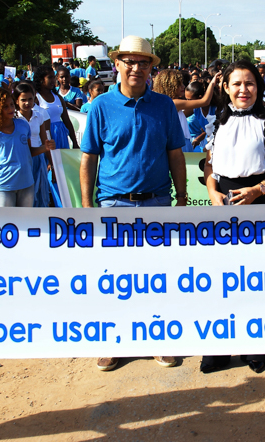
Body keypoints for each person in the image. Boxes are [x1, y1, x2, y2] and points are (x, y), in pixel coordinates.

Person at [79, 35, 185, 372]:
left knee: (157, 276)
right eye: (130, 61)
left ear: (151, 68)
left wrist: (182, 198)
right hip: (113, 205)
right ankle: (114, 341)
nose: (136, 68)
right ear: (117, 65)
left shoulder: (164, 106)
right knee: (115, 278)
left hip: (157, 202)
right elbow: (89, 158)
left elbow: (175, 154)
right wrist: (87, 206)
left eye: (143, 62)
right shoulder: (100, 106)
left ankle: (158, 337)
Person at [201, 60, 265, 374]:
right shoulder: (217, 120)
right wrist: (212, 191)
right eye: (237, 84)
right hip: (225, 203)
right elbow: (210, 165)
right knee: (224, 278)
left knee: (259, 278)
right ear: (225, 87)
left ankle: (257, 343)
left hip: (262, 201)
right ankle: (220, 346)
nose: (244, 89)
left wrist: (258, 189)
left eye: (250, 83)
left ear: (259, 86)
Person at [0, 88, 54, 207]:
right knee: (6, 219)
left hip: (27, 184)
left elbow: (28, 152)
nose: (10, 109)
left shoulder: (23, 125)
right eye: (5, 107)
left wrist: (45, 147)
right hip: (3, 186)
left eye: (11, 104)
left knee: (26, 218)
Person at [153, 69, 217, 153]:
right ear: (171, 86)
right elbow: (205, 101)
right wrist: (212, 83)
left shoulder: (165, 103)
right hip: (181, 144)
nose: (183, 86)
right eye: (180, 84)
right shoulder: (173, 103)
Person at [14, 82, 52, 207]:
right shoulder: (14, 119)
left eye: (30, 99)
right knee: (24, 196)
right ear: (17, 101)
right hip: (20, 160)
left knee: (39, 195)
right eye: (23, 100)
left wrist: (51, 162)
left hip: (37, 159)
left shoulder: (39, 116)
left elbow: (44, 141)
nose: (27, 103)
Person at [34, 65, 78, 149]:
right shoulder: (36, 98)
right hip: (45, 137)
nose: (53, 80)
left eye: (53, 77)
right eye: (49, 77)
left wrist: (75, 142)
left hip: (61, 135)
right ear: (41, 79)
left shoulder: (58, 97)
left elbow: (67, 120)